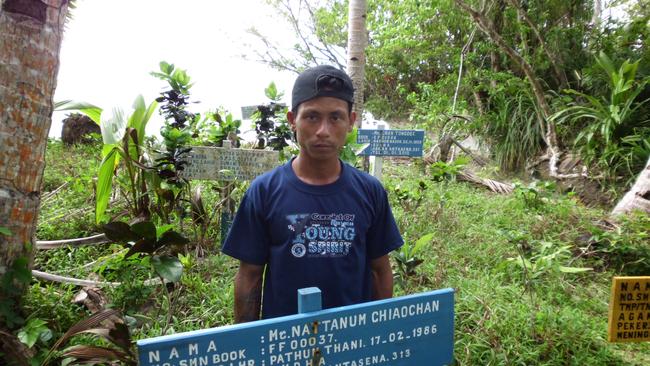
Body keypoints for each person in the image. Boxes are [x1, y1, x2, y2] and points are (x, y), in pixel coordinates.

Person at [222, 65, 403, 322]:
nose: (323, 131)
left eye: (335, 118)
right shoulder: (263, 192)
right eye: (312, 117)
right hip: (285, 342)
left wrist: (378, 334)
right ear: (292, 120)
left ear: (351, 122)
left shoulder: (369, 191)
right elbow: (249, 276)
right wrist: (249, 344)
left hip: (353, 337)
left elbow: (379, 270)